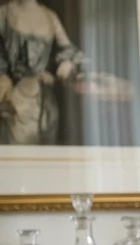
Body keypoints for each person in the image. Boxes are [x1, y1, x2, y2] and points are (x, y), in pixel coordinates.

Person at [0, 0, 83, 145]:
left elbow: (67, 49)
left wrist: (67, 63)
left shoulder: (49, 16)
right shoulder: (5, 12)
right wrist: (4, 77)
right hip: (14, 99)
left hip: (44, 99)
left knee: (44, 148)